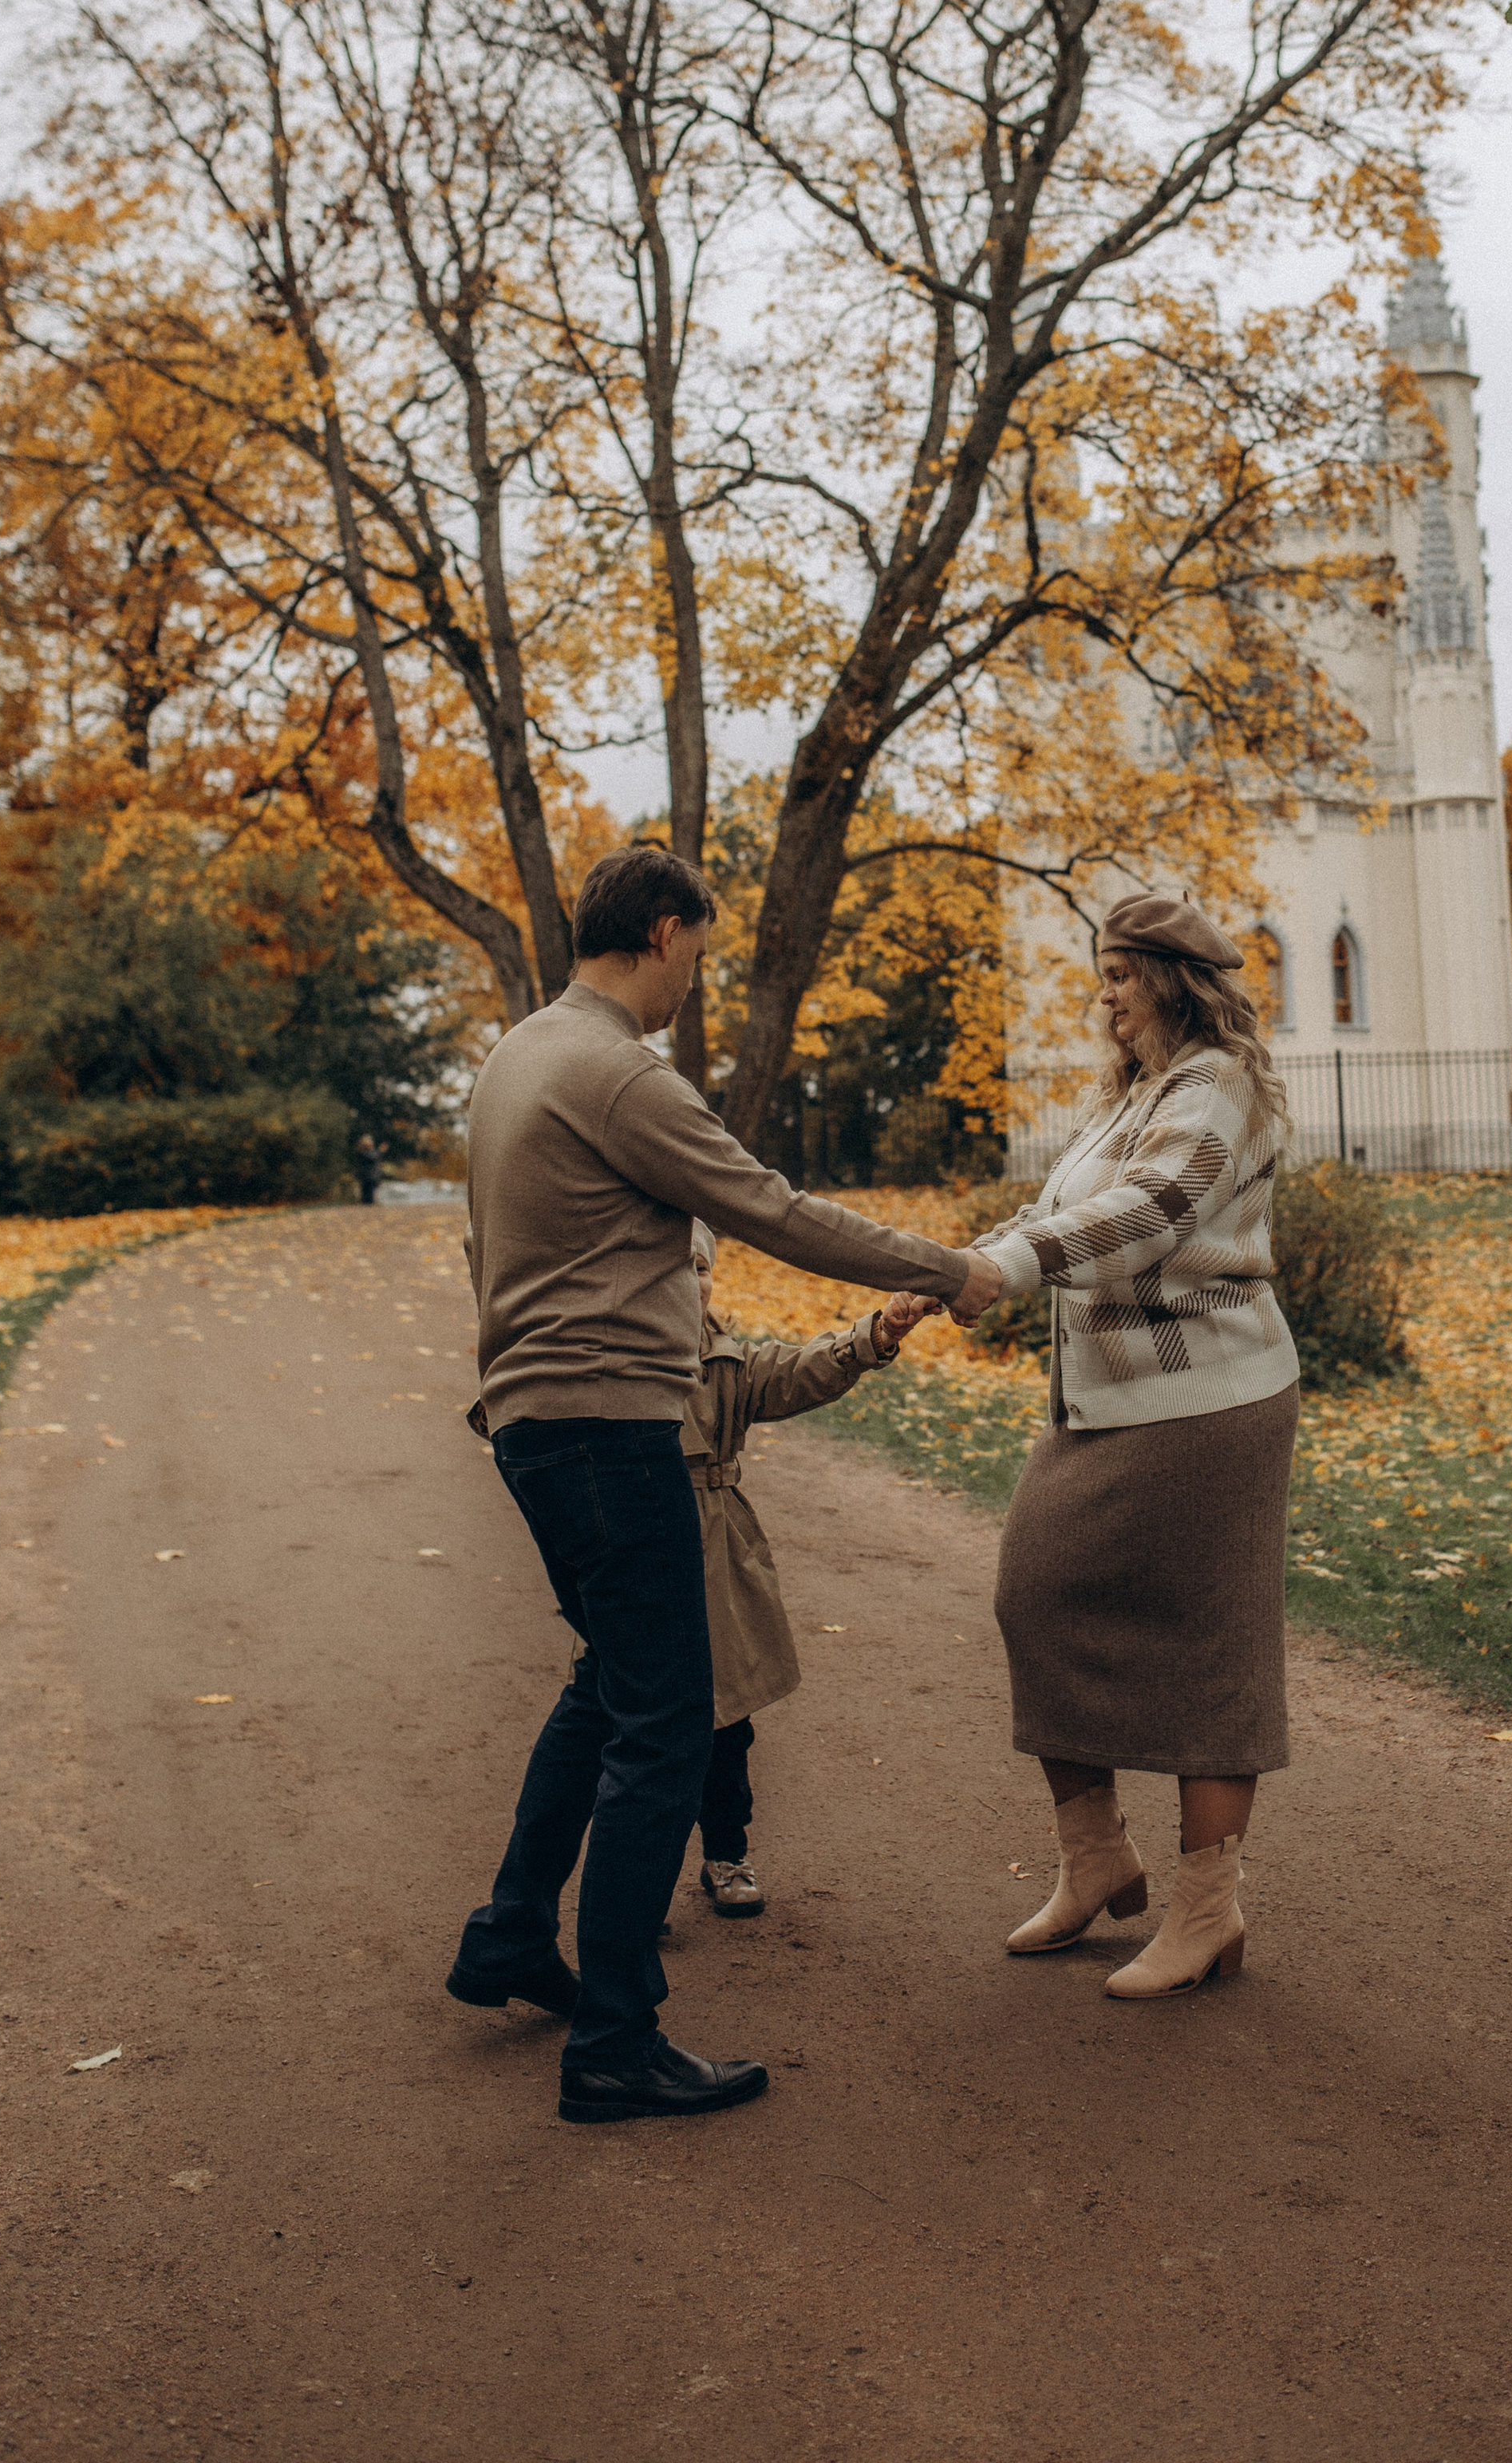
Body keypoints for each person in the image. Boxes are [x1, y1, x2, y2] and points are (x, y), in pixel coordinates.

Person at [444, 842, 1000, 2125]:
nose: (697, 975)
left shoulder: (517, 1056)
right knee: (666, 1726)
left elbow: (486, 1250)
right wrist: (948, 1268)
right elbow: (772, 1210)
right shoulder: (618, 1073)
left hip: (536, 1423)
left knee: (608, 1690)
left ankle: (514, 1933)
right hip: (608, 1425)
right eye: (697, 948)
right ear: (662, 932)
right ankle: (615, 2042)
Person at [958, 893, 1299, 1999]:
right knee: (1033, 1594)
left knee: (1212, 1645)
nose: (1103, 997)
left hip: (1211, 1404)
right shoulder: (1137, 1093)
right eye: (1100, 975)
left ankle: (1207, 1912)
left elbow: (1151, 1213)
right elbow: (1058, 1215)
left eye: (1118, 976)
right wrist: (956, 1264)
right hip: (1108, 1406)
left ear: (1171, 981)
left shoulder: (1218, 1084)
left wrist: (1008, 1269)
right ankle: (1097, 1856)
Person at [679, 1221, 934, 1920]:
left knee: (726, 1724)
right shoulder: (614, 1359)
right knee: (636, 1728)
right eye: (671, 1267)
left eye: (699, 1268)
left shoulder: (727, 1362)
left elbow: (800, 1371)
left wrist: (877, 1334)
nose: (690, 1283)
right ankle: (636, 1877)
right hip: (640, 1549)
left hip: (718, 1558)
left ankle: (726, 1853)